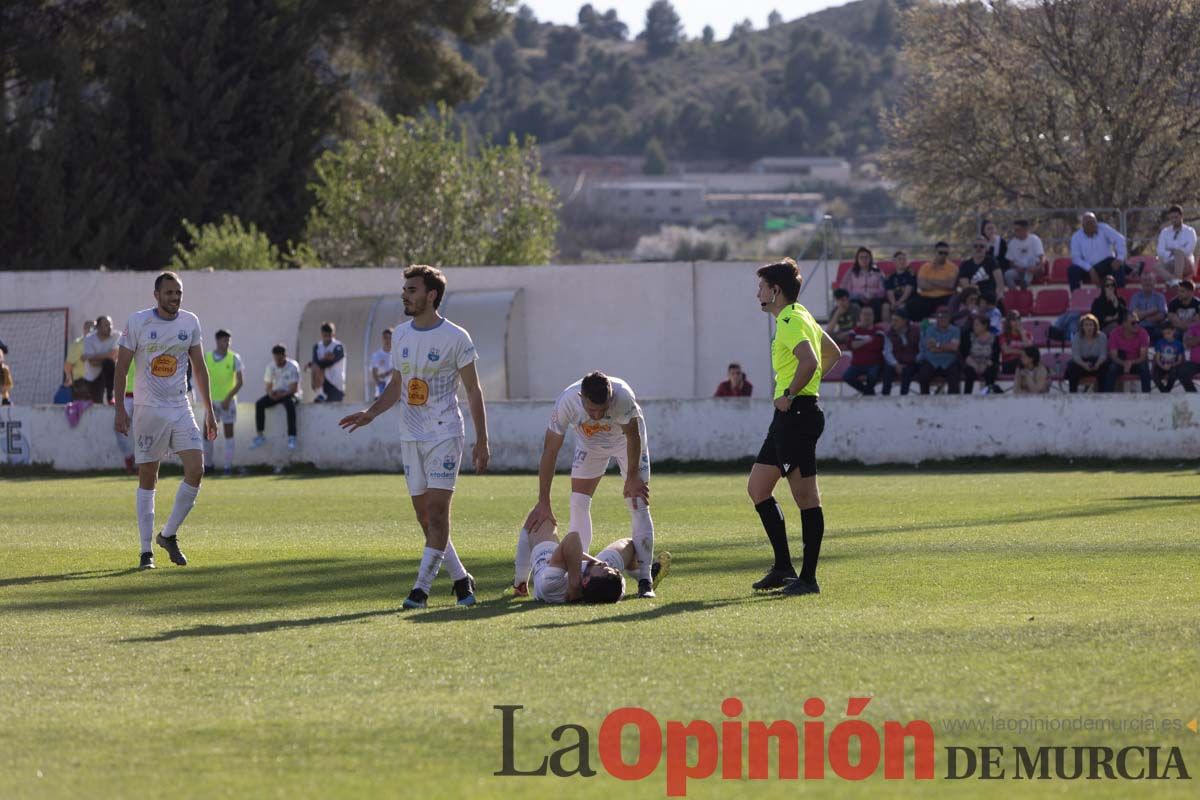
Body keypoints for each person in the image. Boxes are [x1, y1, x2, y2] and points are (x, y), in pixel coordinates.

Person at [339, 265, 490, 610]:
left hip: (444, 434)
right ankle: (461, 579)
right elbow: (396, 385)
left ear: (431, 295)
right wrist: (371, 413)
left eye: (411, 289)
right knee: (426, 519)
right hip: (410, 436)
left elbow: (473, 390)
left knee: (437, 514)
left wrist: (482, 440)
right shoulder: (402, 335)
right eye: (405, 289)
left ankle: (420, 591)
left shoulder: (456, 337)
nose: (404, 295)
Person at [748, 257, 840, 596]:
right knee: (758, 488)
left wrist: (792, 393)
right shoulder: (801, 316)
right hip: (788, 417)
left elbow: (812, 360)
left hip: (797, 416)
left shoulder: (789, 319)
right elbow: (833, 354)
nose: (757, 292)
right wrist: (803, 388)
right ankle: (784, 567)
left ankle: (809, 578)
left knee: (806, 498)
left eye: (761, 287)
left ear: (775, 290)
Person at [113, 272, 217, 570]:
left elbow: (200, 368)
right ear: (156, 295)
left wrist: (209, 411)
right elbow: (121, 369)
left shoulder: (190, 322)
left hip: (180, 406)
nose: (175, 297)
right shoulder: (138, 322)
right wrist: (120, 409)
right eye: (169, 292)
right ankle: (146, 551)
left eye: (178, 293)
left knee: (196, 470)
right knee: (149, 476)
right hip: (148, 409)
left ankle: (168, 534)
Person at [522, 371, 658, 598]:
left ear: (610, 397)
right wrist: (543, 501)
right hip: (591, 444)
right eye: (591, 409)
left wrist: (632, 476)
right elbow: (550, 451)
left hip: (626, 443)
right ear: (580, 397)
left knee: (638, 502)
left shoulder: (622, 396)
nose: (596, 415)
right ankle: (582, 570)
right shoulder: (567, 402)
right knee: (578, 502)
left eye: (602, 409)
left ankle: (646, 579)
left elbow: (633, 437)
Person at [513, 514, 670, 603]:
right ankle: (643, 576)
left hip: (546, 560)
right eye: (613, 570)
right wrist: (595, 562)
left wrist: (573, 582)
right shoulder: (614, 585)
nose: (606, 566)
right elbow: (572, 551)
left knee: (540, 518)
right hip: (576, 567)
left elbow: (572, 538)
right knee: (630, 544)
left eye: (605, 569)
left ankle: (520, 584)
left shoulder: (551, 585)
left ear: (585, 580)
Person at [203, 329, 243, 476]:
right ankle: (208, 466)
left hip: (228, 403)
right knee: (207, 433)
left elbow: (240, 382)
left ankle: (227, 467)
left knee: (228, 434)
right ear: (217, 341)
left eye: (229, 340)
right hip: (212, 403)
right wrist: (208, 400)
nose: (227, 343)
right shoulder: (207, 357)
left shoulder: (234, 358)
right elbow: (202, 380)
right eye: (225, 340)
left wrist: (227, 399)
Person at [251, 345, 301, 450]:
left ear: (285, 356)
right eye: (275, 358)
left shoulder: (293, 366)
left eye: (279, 359)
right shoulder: (270, 367)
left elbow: (294, 388)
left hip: (289, 394)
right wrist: (270, 394)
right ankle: (260, 435)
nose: (277, 361)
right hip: (276, 393)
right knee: (259, 404)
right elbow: (268, 386)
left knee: (290, 405)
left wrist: (282, 395)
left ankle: (292, 436)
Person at [1068, 211, 1127, 290]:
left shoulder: (1103, 228)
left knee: (1118, 265)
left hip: (1106, 265)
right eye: (1089, 223)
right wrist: (1090, 269)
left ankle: (1119, 297)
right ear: (1083, 226)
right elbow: (1076, 259)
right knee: (1072, 270)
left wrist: (1120, 258)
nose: (1093, 225)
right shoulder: (1076, 237)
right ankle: (1076, 298)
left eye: (1094, 222)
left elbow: (1120, 239)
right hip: (1088, 268)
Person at [906, 241, 958, 321]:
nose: (943, 255)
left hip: (945, 297)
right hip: (926, 297)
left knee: (951, 305)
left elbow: (950, 285)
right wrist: (942, 283)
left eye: (946, 253)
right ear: (935, 252)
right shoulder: (925, 267)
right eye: (941, 253)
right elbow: (922, 285)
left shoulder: (953, 267)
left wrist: (930, 280)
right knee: (911, 305)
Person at [916, 307, 962, 394]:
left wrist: (937, 345)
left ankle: (954, 403)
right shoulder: (930, 330)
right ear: (936, 317)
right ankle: (925, 401)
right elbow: (930, 348)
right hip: (932, 361)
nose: (942, 319)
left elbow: (954, 347)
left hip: (949, 362)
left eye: (945, 316)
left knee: (954, 377)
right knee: (923, 376)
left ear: (949, 318)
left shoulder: (955, 330)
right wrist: (947, 347)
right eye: (940, 316)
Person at [1103, 311, 1152, 393]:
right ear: (1124, 324)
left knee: (1144, 367)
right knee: (1112, 368)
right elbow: (1113, 356)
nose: (1136, 325)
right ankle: (1107, 396)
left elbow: (1143, 356)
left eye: (1137, 322)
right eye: (1133, 323)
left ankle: (1147, 396)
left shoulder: (1143, 333)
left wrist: (1130, 363)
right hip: (1120, 361)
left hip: (1137, 362)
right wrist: (1124, 363)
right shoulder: (1114, 333)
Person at [842, 306, 886, 396]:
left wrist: (858, 343)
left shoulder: (879, 331)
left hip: (874, 364)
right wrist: (868, 340)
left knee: (872, 377)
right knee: (847, 377)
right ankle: (868, 393)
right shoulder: (854, 331)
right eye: (865, 314)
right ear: (860, 316)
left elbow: (877, 346)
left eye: (869, 314)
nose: (867, 317)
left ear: (873, 317)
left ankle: (867, 394)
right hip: (856, 364)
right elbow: (850, 345)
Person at [1152, 205, 1196, 287]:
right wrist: (1171, 254)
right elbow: (1160, 251)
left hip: (1186, 264)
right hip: (1170, 262)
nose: (1174, 220)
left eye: (1176, 217)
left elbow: (1188, 251)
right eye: (1171, 218)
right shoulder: (1165, 232)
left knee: (1179, 253)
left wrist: (1174, 251)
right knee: (1156, 266)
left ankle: (1176, 280)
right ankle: (1175, 279)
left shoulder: (1190, 231)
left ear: (1181, 216)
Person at [881, 310, 920, 396]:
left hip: (912, 362)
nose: (893, 323)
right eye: (892, 320)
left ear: (904, 321)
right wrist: (896, 364)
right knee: (887, 370)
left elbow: (921, 348)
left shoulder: (916, 331)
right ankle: (884, 398)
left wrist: (915, 359)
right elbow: (887, 352)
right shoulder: (888, 334)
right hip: (896, 362)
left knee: (907, 370)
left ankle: (903, 398)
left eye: (896, 320)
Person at [1066, 314, 1108, 393]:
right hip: (1082, 363)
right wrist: (1084, 364)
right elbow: (1076, 356)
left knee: (1106, 365)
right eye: (1086, 325)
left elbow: (1103, 354)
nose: (1089, 327)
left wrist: (1098, 364)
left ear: (1095, 326)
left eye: (1091, 325)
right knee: (1072, 366)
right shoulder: (1077, 337)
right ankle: (1073, 393)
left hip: (1097, 363)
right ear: (1082, 327)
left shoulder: (1102, 336)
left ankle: (1102, 393)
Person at [83, 315, 119, 404]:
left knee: (109, 363)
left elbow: (113, 356)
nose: (110, 327)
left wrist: (91, 356)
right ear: (98, 327)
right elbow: (92, 363)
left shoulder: (117, 336)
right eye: (106, 325)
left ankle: (110, 396)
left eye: (110, 324)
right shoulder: (89, 339)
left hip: (111, 375)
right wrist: (108, 356)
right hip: (93, 377)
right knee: (97, 404)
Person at [957, 235, 1004, 303]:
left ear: (986, 248)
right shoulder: (965, 265)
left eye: (982, 246)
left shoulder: (992, 262)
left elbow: (999, 282)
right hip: (973, 297)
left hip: (990, 297)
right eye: (975, 246)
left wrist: (1000, 293)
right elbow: (965, 286)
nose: (978, 248)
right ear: (972, 248)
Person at [307, 321, 345, 402]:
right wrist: (324, 358)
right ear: (321, 334)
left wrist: (316, 363)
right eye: (325, 335)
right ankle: (319, 393)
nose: (327, 338)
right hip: (323, 383)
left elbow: (330, 362)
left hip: (335, 385)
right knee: (316, 367)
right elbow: (316, 363)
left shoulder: (338, 346)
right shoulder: (317, 346)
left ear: (333, 334)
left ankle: (320, 392)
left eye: (329, 335)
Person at [842, 247, 886, 317]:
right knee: (854, 305)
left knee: (876, 303)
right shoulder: (851, 272)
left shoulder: (878, 272)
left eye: (866, 257)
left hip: (874, 298)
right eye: (861, 258)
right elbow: (846, 290)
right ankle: (857, 326)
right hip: (856, 299)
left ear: (870, 259)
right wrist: (859, 296)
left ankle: (875, 326)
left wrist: (873, 295)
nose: (864, 260)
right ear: (857, 259)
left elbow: (883, 289)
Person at [1003, 219, 1047, 288]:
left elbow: (1042, 257)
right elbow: (1011, 262)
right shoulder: (1012, 243)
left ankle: (1025, 284)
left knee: (1031, 260)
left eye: (1017, 229)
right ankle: (1014, 293)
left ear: (1025, 229)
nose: (1015, 232)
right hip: (1019, 270)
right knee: (1007, 274)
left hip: (1034, 269)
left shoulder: (1034, 239)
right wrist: (1017, 268)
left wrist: (1038, 267)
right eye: (1014, 230)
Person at [962, 316, 998, 395]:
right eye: (974, 325)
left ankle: (988, 397)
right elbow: (965, 353)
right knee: (969, 372)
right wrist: (974, 364)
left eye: (977, 325)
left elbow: (995, 357)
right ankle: (966, 397)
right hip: (972, 363)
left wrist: (985, 364)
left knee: (990, 373)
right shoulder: (968, 336)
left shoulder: (994, 338)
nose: (974, 327)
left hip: (987, 363)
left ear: (984, 326)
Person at [1128, 271, 1168, 340]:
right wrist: (1151, 311)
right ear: (1141, 282)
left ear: (1155, 282)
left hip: (1155, 327)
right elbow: (1133, 315)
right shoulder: (1135, 297)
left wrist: (1144, 317)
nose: (1147, 282)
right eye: (1145, 280)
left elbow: (1162, 315)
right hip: (1139, 327)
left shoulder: (1160, 297)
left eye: (1150, 280)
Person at [1151, 320, 1187, 393]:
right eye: (1164, 334)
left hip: (1173, 366)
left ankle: (1166, 391)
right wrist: (1162, 366)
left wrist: (1171, 365)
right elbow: (1157, 358)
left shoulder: (1178, 344)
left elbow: (1179, 360)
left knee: (1173, 374)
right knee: (1155, 376)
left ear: (1174, 331)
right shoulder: (1159, 342)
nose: (1166, 336)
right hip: (1161, 365)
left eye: (1168, 333)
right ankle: (1164, 391)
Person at [63, 319, 95, 399]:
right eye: (89, 329)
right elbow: (68, 365)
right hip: (81, 383)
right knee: (82, 408)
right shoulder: (79, 344)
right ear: (84, 330)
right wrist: (69, 378)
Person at [997, 310, 1032, 379]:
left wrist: (1022, 333)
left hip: (1023, 363)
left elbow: (1030, 349)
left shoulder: (1027, 334)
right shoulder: (1004, 335)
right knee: (1022, 363)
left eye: (1018, 319)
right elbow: (1006, 350)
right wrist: (1021, 352)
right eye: (1013, 319)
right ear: (1009, 322)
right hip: (1008, 364)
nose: (1016, 321)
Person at [883, 250, 917, 320]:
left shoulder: (910, 274)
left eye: (904, 259)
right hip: (894, 301)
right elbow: (890, 292)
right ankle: (886, 327)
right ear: (894, 262)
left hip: (907, 300)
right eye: (899, 259)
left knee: (902, 306)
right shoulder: (890, 276)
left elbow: (908, 292)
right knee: (885, 306)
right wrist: (893, 303)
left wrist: (898, 303)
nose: (902, 261)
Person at [369, 328, 394, 399]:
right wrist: (380, 385)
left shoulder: (398, 355)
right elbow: (374, 373)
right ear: (382, 339)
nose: (388, 340)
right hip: (381, 394)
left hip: (394, 394)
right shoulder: (377, 355)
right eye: (386, 338)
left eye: (390, 338)